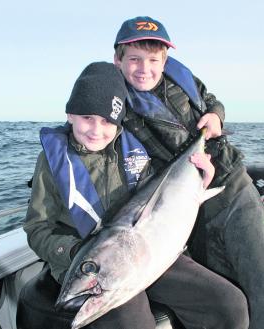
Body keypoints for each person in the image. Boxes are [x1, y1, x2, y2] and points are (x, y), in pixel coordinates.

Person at [23, 61, 249, 329]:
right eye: (87, 118)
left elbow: (165, 202)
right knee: (131, 322)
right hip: (92, 268)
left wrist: (199, 182)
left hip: (150, 254)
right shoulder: (52, 162)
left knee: (228, 305)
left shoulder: (135, 150)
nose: (96, 130)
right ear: (70, 114)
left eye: (107, 121)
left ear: (118, 122)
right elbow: (37, 229)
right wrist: (75, 253)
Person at [113, 15, 264, 329]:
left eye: (154, 59)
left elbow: (212, 100)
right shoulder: (116, 107)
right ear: (118, 60)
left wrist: (216, 116)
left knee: (260, 275)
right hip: (188, 211)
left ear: (165, 60)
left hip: (232, 186)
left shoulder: (183, 79)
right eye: (134, 59)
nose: (145, 68)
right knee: (225, 297)